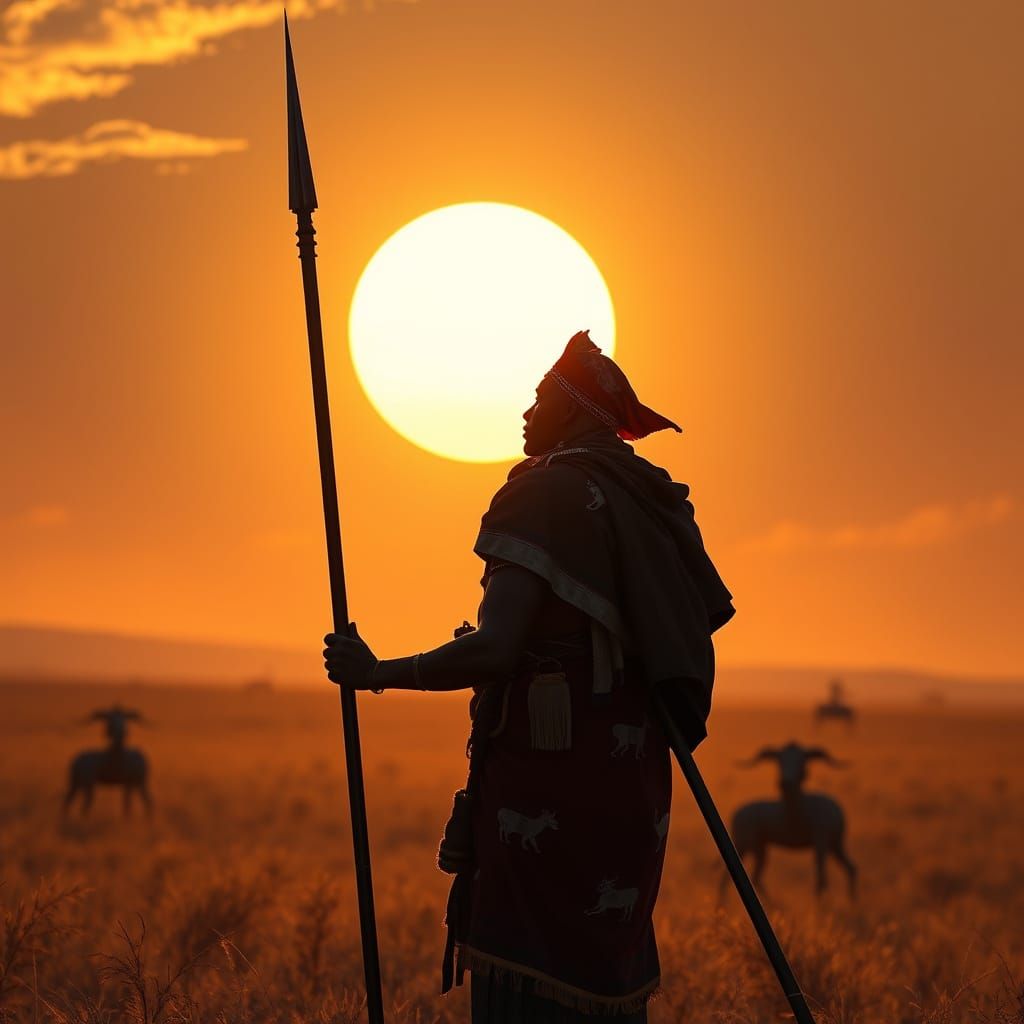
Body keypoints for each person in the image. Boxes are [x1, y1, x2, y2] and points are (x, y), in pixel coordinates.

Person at [324, 330, 735, 1022]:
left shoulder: (543, 495)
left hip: (554, 774)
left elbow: (496, 649)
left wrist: (377, 672)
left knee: (529, 982)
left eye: (542, 397)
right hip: (632, 789)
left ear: (575, 411)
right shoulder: (648, 500)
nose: (525, 411)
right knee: (602, 978)